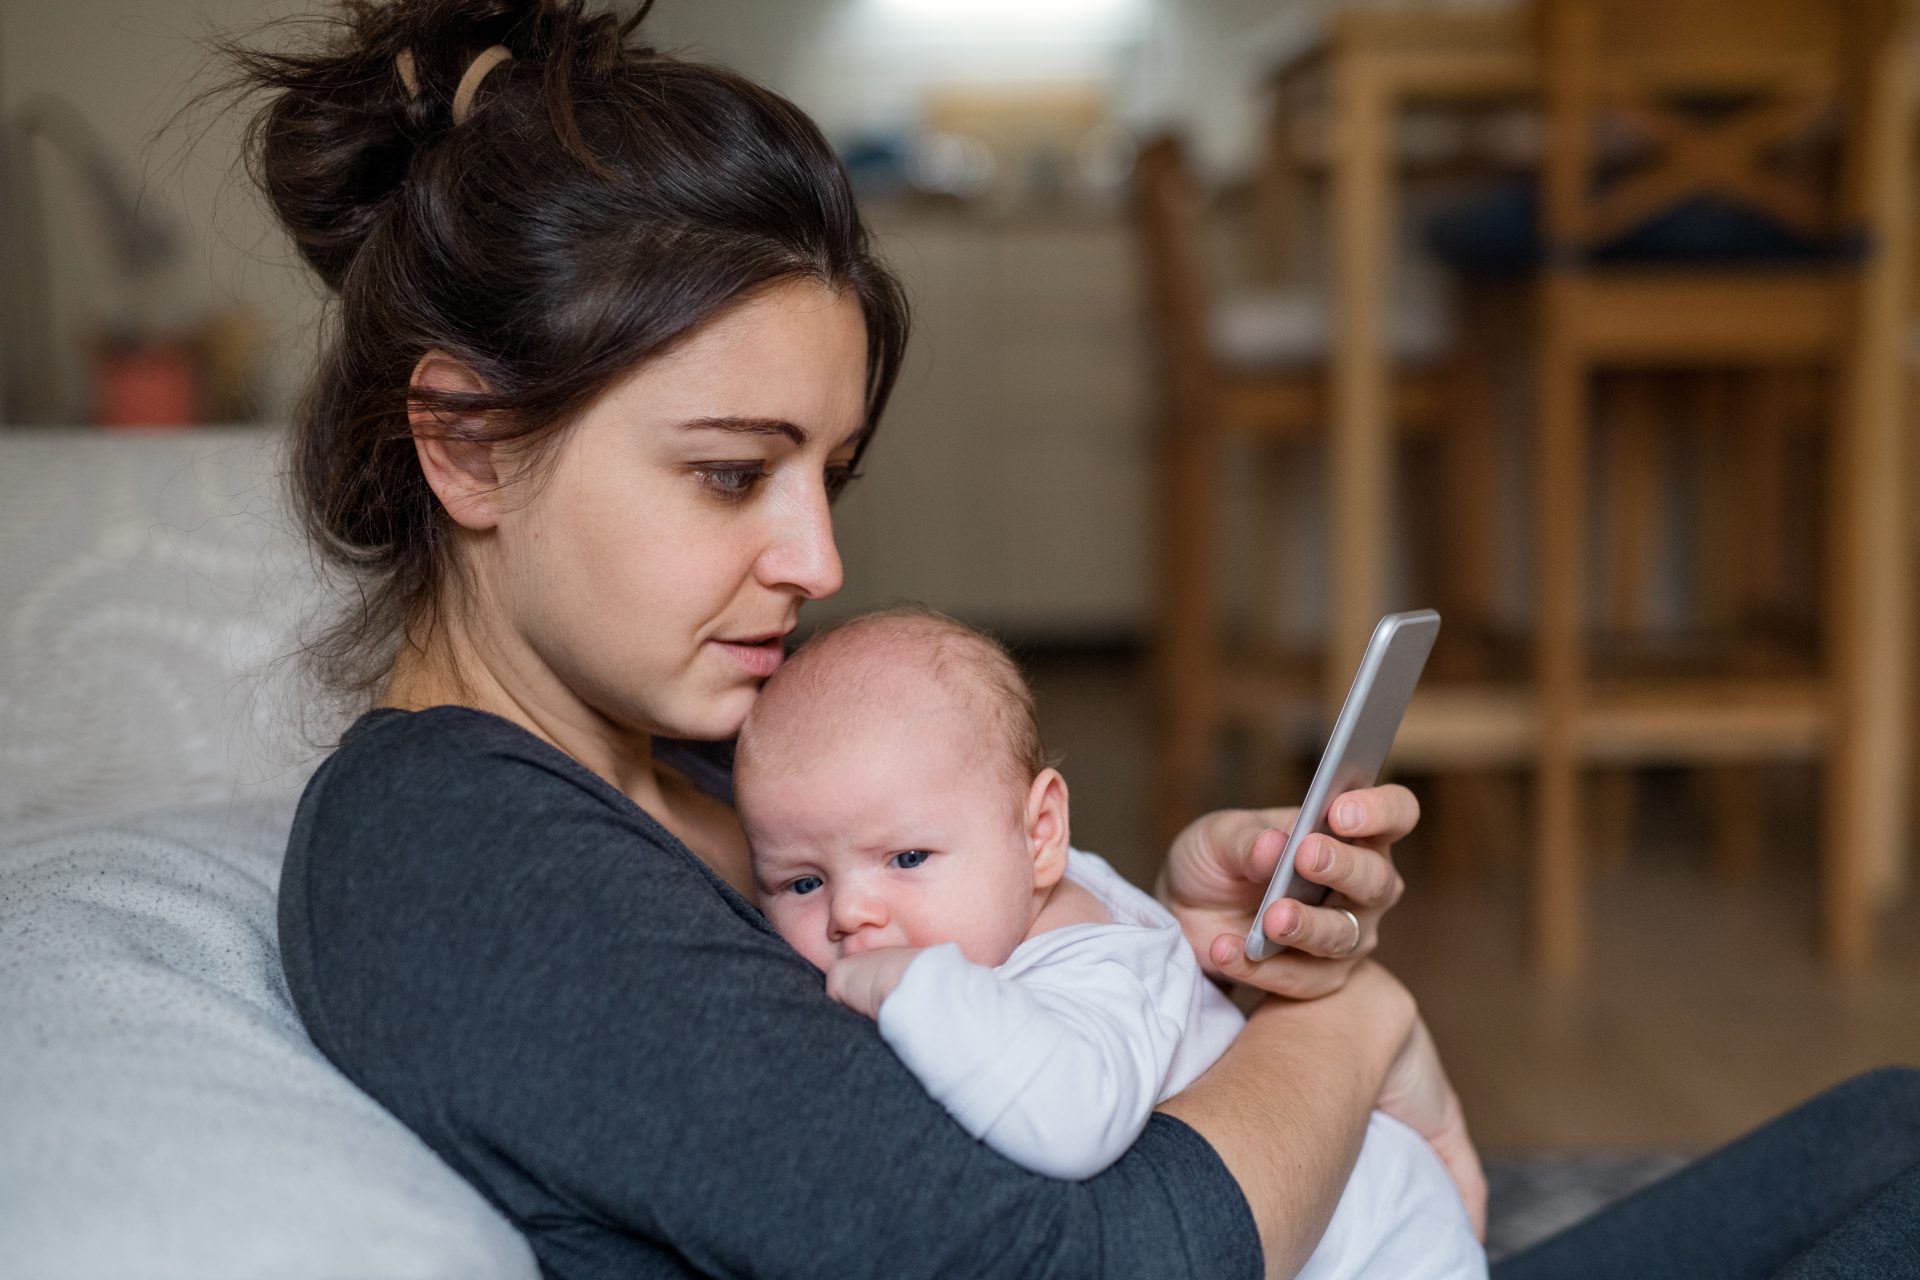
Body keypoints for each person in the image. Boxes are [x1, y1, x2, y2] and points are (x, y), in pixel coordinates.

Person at [238, 2, 1920, 1278]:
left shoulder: (688, 765)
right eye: (732, 473)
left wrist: (1140, 948)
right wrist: (1338, 1035)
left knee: (1892, 1138)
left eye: (828, 474)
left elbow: (941, 1099)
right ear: (465, 446)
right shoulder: (450, 850)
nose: (816, 556)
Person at [735, 605, 1487, 1280]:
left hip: (1384, 1250)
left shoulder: (1092, 964)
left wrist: (909, 986)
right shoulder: (1019, 893)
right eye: (802, 883)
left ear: (1040, 836)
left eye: (905, 860)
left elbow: (1069, 1124)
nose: (850, 913)